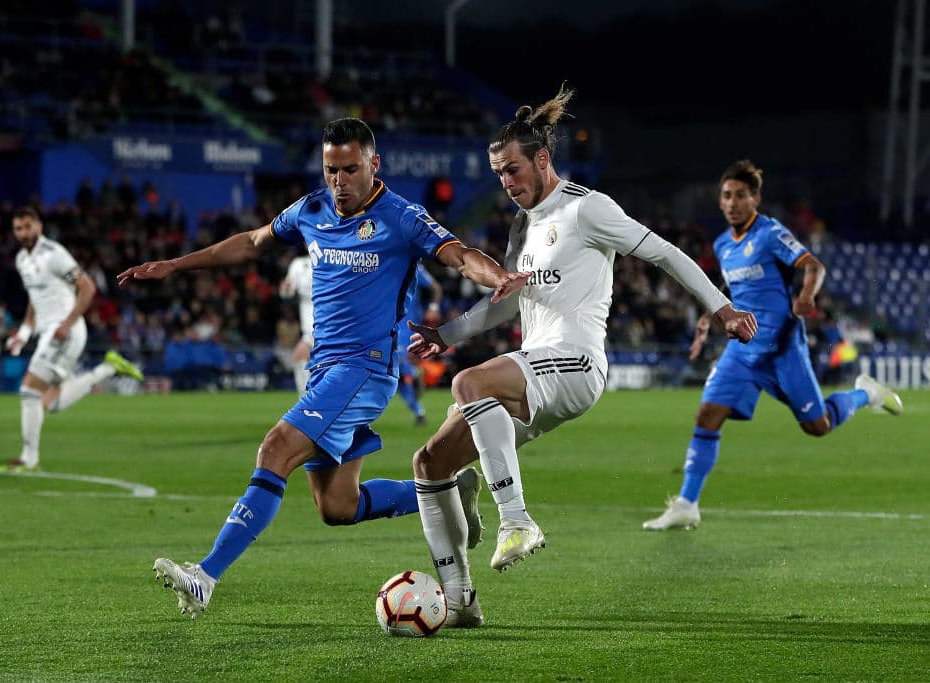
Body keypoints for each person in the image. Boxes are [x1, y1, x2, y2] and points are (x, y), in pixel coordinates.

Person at [117, 117, 529, 620]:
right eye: (331, 169)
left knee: (275, 448)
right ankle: (447, 488)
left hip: (365, 370)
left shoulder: (401, 217)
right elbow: (251, 242)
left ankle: (204, 577)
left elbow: (459, 256)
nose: (339, 181)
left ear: (373, 165)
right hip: (325, 372)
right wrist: (175, 265)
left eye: (350, 169)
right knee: (337, 507)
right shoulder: (310, 209)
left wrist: (498, 276)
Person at [406, 88, 758, 626]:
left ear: (542, 159)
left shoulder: (586, 208)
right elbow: (506, 305)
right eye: (499, 172)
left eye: (513, 169)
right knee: (429, 464)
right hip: (534, 365)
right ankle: (459, 602)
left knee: (467, 386)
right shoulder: (522, 226)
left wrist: (721, 307)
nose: (506, 181)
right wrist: (447, 333)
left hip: (575, 363)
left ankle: (517, 520)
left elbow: (664, 252)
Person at [642, 160, 903, 531]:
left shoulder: (769, 233)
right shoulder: (722, 245)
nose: (733, 202)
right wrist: (707, 318)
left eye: (741, 196)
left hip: (783, 347)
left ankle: (865, 394)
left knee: (819, 425)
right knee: (707, 415)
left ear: (756, 199)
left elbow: (813, 266)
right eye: (727, 196)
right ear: (720, 202)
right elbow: (733, 290)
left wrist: (807, 297)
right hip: (743, 349)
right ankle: (687, 503)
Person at [1, 207, 143, 471]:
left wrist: (67, 323)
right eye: (18, 228)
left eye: (27, 227)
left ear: (39, 227)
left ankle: (28, 459)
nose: (23, 233)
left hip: (65, 330)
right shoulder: (22, 259)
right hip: (49, 332)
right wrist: (22, 334)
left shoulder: (53, 254)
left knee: (29, 390)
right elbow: (35, 299)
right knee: (50, 402)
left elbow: (87, 287)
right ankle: (109, 368)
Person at [396, 262, 442, 426]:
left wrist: (433, 307)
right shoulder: (382, 264)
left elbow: (436, 287)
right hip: (386, 324)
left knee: (398, 364)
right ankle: (419, 412)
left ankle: (414, 373)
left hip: (407, 326)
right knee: (397, 377)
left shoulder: (414, 268)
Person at [278, 252, 313, 395]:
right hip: (309, 325)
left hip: (327, 322)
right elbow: (286, 292)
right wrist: (285, 288)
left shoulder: (334, 258)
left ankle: (306, 405)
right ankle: (308, 404)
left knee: (300, 356)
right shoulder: (299, 264)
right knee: (302, 358)